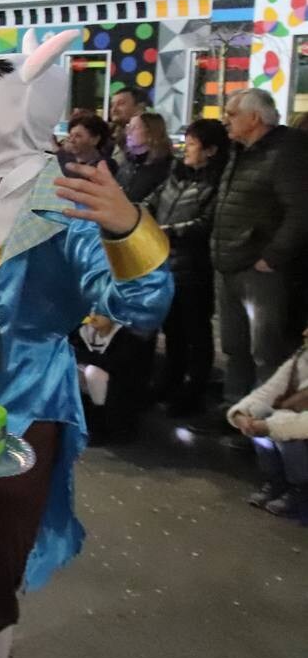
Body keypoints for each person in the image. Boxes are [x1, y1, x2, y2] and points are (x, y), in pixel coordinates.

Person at [0, 30, 172, 658]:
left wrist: (127, 227)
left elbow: (142, 303)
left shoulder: (66, 201)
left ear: (12, 108)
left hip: (22, 413)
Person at [208, 88, 308, 417]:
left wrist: (273, 256)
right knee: (235, 345)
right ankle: (234, 410)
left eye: (232, 113)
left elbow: (300, 210)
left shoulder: (285, 152)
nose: (226, 120)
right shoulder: (241, 151)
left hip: (260, 270)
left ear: (254, 118)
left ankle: (262, 421)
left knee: (265, 349)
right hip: (231, 264)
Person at [143, 118, 228, 418]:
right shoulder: (177, 174)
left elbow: (206, 223)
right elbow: (152, 200)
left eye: (192, 144)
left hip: (194, 267)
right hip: (166, 264)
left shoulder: (217, 182)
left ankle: (193, 392)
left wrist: (168, 231)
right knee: (173, 331)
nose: (186, 149)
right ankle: (169, 383)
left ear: (211, 150)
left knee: (195, 332)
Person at [227, 332, 308, 518]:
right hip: (290, 419)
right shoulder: (302, 358)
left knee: (289, 435)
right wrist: (242, 413)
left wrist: (269, 426)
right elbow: (268, 391)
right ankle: (278, 480)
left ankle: (301, 487)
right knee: (259, 415)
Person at [114, 112, 171, 202]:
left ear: (151, 132)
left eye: (135, 127)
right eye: (129, 126)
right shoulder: (127, 162)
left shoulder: (164, 167)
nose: (128, 132)